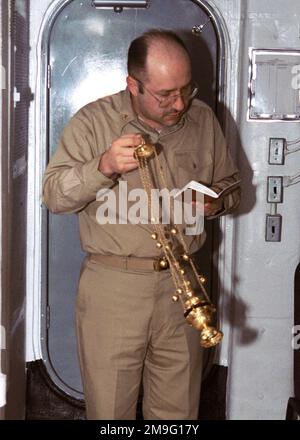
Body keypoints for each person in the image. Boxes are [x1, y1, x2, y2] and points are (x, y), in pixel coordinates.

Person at [43, 29, 240, 420]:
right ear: (133, 84)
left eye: (186, 89)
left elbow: (232, 188)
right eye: (165, 94)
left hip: (183, 288)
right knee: (111, 413)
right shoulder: (93, 122)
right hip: (114, 290)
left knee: (178, 414)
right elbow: (54, 196)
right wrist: (102, 167)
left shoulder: (202, 119)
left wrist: (215, 202)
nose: (179, 103)